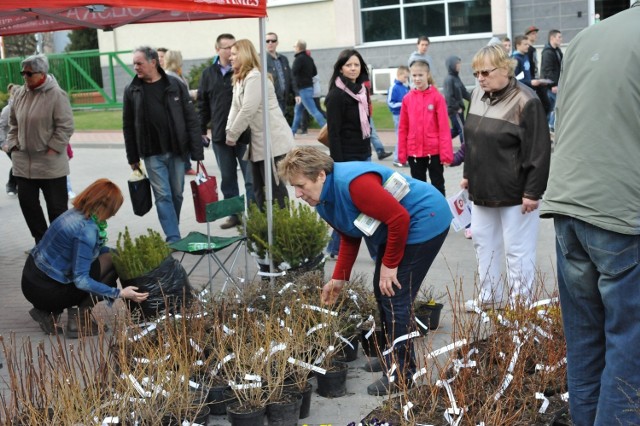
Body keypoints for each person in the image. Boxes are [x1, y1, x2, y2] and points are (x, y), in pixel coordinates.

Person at [278, 146, 451, 396]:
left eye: (300, 185)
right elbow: (350, 233)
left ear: (320, 176)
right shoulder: (324, 200)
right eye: (294, 187)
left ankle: (402, 373)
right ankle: (390, 357)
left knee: (394, 295)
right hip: (396, 227)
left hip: (424, 218)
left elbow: (399, 219)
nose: (297, 194)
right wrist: (339, 278)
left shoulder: (355, 185)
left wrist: (389, 266)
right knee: (381, 291)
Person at [539, 3, 640, 424]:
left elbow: (565, 117)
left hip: (570, 206)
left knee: (585, 347)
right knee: (629, 352)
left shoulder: (586, 38)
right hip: (621, 215)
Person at [461, 45, 550, 311]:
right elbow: (472, 139)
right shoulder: (478, 94)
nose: (480, 78)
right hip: (481, 188)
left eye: (485, 72)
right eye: (476, 72)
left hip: (515, 192)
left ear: (505, 69)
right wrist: (467, 174)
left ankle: (520, 306)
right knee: (482, 243)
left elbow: (539, 151)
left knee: (517, 250)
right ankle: (490, 297)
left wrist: (533, 192)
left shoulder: (526, 100)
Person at [22, 179, 149, 337]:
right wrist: (119, 293)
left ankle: (46, 312)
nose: (114, 214)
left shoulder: (74, 213)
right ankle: (78, 322)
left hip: (33, 280)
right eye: (113, 210)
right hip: (46, 290)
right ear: (104, 207)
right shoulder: (86, 230)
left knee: (112, 256)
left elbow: (88, 251)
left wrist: (125, 253)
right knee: (112, 262)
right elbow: (81, 280)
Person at [123, 46, 204, 243]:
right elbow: (128, 126)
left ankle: (172, 228)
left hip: (177, 150)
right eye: (134, 63)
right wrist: (132, 157)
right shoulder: (132, 90)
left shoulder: (175, 85)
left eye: (139, 63)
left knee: (176, 193)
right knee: (163, 195)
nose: (135, 67)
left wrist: (197, 153)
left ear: (153, 62)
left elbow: (190, 119)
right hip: (151, 153)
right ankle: (173, 237)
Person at [5, 54, 74, 245]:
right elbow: (13, 123)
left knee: (57, 210)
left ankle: (60, 246)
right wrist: (12, 144)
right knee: (28, 206)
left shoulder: (56, 95)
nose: (25, 77)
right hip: (23, 164)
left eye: (29, 73)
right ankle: (41, 243)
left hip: (50, 165)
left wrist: (53, 148)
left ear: (42, 73)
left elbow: (66, 126)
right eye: (23, 73)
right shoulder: (19, 94)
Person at [323, 49, 384, 262]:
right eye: (349, 65)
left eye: (356, 65)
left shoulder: (361, 92)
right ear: (341, 68)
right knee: (363, 204)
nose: (353, 68)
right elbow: (335, 134)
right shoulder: (336, 96)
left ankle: (334, 246)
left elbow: (365, 127)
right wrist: (338, 165)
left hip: (363, 155)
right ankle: (377, 252)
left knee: (355, 205)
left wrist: (368, 152)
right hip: (346, 159)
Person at [225, 39, 294, 209]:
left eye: (234, 54)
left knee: (274, 191)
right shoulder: (240, 77)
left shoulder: (255, 76)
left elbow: (248, 108)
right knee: (259, 191)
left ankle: (281, 231)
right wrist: (229, 130)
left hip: (271, 142)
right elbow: (235, 106)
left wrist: (233, 134)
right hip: (258, 143)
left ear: (244, 55)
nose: (230, 57)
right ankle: (266, 231)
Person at [198, 33, 253, 229]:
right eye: (226, 47)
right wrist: (202, 129)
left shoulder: (243, 71)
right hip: (221, 135)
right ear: (217, 50)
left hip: (245, 134)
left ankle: (254, 216)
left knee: (250, 177)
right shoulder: (208, 74)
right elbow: (202, 103)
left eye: (233, 47)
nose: (230, 51)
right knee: (228, 178)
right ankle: (235, 215)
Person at [398, 59, 453, 196]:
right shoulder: (407, 99)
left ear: (427, 75)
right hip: (414, 152)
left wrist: (446, 154)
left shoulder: (437, 98)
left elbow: (444, 127)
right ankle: (422, 215)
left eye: (420, 75)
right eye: (414, 75)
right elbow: (403, 128)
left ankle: (441, 214)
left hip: (433, 152)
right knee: (417, 188)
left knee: (438, 185)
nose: (417, 78)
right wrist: (402, 153)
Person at [164, 49, 197, 176]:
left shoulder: (177, 74)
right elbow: (178, 96)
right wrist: (194, 94)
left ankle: (186, 165)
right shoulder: (170, 76)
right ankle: (185, 165)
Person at [290, 40, 327, 135]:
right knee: (297, 111)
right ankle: (292, 132)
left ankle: (327, 129)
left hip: (302, 89)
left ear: (298, 48)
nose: (294, 48)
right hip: (309, 87)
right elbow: (314, 72)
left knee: (313, 111)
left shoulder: (298, 59)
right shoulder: (309, 59)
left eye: (295, 47)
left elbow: (293, 73)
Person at [443, 56, 471, 148]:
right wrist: (457, 108)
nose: (459, 66)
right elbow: (448, 97)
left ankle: (440, 141)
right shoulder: (449, 80)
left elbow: (464, 92)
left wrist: (474, 99)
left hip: (459, 109)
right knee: (462, 129)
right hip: (454, 111)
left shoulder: (456, 78)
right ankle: (465, 151)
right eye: (457, 64)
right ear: (452, 65)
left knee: (455, 130)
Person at [524, 25, 551, 116]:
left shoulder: (533, 49)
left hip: (536, 79)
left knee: (546, 105)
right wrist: (532, 80)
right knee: (544, 105)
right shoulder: (527, 50)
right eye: (533, 34)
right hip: (531, 81)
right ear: (527, 36)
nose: (535, 35)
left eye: (536, 33)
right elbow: (528, 67)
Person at [386, 66, 410, 167]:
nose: (406, 79)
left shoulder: (405, 87)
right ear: (399, 75)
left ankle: (404, 157)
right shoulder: (393, 87)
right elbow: (390, 103)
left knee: (406, 136)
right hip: (398, 115)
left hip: (406, 115)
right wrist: (403, 104)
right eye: (405, 77)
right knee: (401, 136)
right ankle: (397, 158)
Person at [264, 32, 293, 115]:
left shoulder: (283, 59)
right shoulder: (261, 60)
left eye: (273, 41)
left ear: (277, 43)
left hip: (283, 97)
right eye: (267, 41)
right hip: (271, 99)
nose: (270, 43)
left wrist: (296, 93)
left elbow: (290, 77)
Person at [540, 30, 563, 132]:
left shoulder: (557, 51)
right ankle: (549, 129)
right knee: (552, 109)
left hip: (557, 85)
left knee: (556, 108)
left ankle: (552, 128)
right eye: (559, 37)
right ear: (552, 38)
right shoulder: (547, 53)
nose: (561, 39)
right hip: (551, 87)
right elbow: (547, 71)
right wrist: (552, 85)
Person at [0, 83, 19, 197]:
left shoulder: (23, 107)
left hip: (19, 142)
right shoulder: (7, 109)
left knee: (20, 163)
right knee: (17, 163)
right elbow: (1, 126)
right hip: (8, 142)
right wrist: (3, 143)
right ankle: (10, 185)